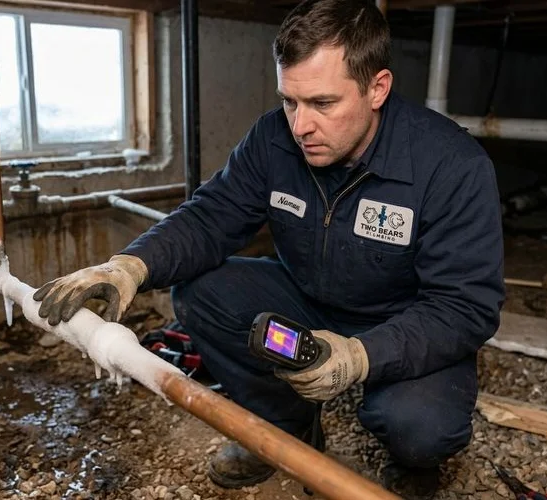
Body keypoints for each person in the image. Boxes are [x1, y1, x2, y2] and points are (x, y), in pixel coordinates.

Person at [33, 0, 505, 498]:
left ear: (377, 89)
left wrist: (361, 356)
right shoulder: (274, 139)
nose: (300, 125)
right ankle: (287, 421)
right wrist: (130, 267)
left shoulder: (451, 166)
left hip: (403, 319)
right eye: (290, 101)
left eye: (323, 104)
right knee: (201, 293)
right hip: (307, 298)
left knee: (422, 427)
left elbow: (465, 306)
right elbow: (211, 217)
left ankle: (411, 461)